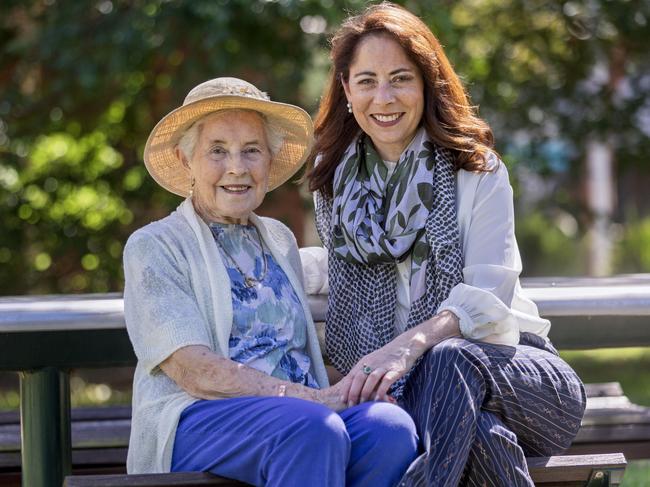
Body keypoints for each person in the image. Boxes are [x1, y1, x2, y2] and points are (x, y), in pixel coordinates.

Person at [303, 4, 586, 486]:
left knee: (449, 354)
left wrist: (406, 349)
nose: (384, 96)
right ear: (347, 90)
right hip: (424, 402)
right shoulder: (335, 184)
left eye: (400, 78)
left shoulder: (477, 171)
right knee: (484, 437)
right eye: (367, 80)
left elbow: (487, 296)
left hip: (525, 384)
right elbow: (331, 268)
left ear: (426, 83)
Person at [123, 77, 418, 486]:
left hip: (298, 418)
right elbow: (195, 372)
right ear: (185, 159)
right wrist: (314, 399)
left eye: (251, 151)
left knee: (389, 427)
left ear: (268, 161)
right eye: (218, 151)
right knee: (312, 428)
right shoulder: (155, 247)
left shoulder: (277, 239)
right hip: (197, 419)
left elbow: (327, 270)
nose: (237, 168)